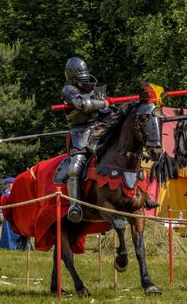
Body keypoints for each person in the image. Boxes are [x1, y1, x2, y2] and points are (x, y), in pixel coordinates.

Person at [61, 57, 158, 222]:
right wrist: (103, 102)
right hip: (81, 133)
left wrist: (116, 109)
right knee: (75, 167)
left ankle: (143, 196)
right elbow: (83, 105)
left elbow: (106, 111)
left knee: (128, 154)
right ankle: (75, 205)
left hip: (101, 129)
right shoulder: (68, 90)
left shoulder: (93, 89)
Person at [0, 177, 28, 250]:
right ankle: (8, 246)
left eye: (11, 183)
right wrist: (1, 214)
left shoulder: (18, 193)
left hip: (17, 216)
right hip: (7, 216)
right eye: (8, 184)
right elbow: (2, 205)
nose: (9, 185)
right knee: (7, 230)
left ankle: (21, 246)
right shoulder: (4, 194)